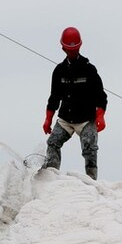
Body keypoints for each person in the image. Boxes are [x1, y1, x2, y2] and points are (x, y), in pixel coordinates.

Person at [41, 26, 108, 179]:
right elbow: (54, 97)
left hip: (86, 120)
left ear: (79, 47)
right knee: (52, 143)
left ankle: (92, 181)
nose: (71, 52)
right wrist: (48, 118)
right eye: (68, 49)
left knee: (90, 147)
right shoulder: (59, 71)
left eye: (74, 48)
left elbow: (101, 96)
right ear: (63, 48)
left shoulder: (89, 70)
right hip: (65, 119)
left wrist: (100, 116)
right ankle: (51, 177)